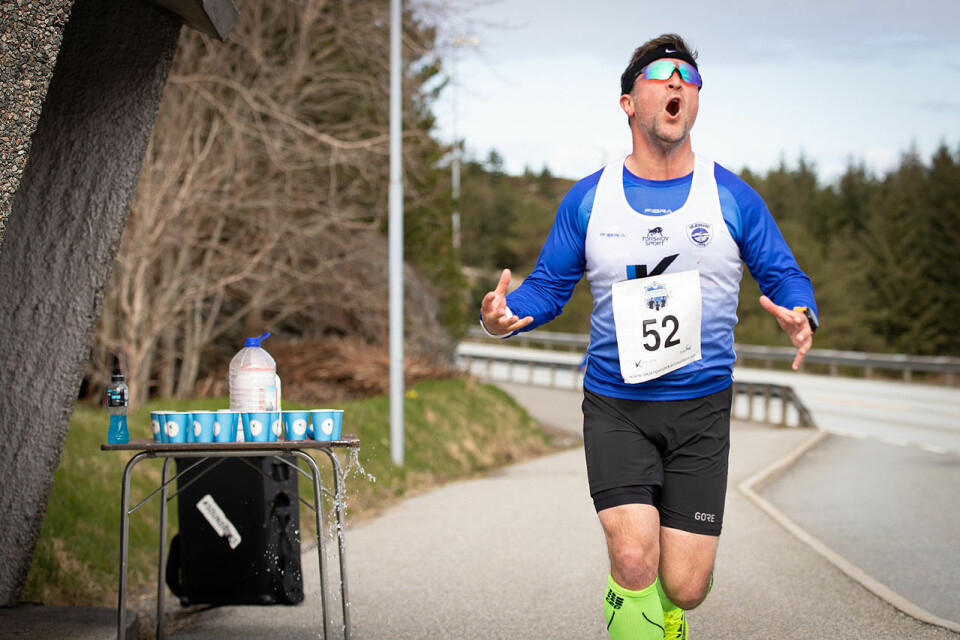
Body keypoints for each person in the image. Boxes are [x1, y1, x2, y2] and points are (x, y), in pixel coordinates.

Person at [479, 33, 818, 640]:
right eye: (661, 75)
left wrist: (800, 311)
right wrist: (503, 316)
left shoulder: (730, 196)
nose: (677, 83)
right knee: (634, 557)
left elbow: (784, 274)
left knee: (685, 586)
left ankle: (664, 613)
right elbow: (547, 288)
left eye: (688, 77)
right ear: (628, 103)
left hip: (701, 409)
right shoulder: (590, 199)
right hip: (617, 404)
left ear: (696, 102)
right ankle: (636, 607)